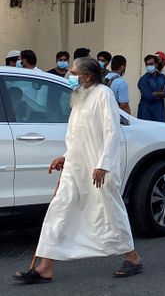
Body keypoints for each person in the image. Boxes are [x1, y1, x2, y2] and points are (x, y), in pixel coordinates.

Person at [14, 58, 142, 284]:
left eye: (74, 73)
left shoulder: (103, 94)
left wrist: (103, 164)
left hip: (100, 168)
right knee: (59, 210)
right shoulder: (79, 97)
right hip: (76, 167)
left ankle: (132, 258)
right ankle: (45, 268)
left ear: (88, 77)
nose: (70, 76)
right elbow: (78, 135)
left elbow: (112, 131)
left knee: (109, 212)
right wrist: (66, 156)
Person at [137, 55, 165, 122]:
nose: (149, 66)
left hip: (159, 114)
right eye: (147, 64)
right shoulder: (143, 80)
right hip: (146, 115)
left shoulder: (162, 77)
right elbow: (149, 96)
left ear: (156, 64)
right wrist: (163, 93)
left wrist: (155, 93)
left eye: (151, 64)